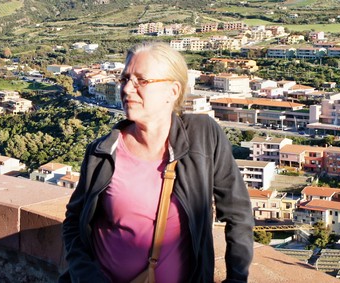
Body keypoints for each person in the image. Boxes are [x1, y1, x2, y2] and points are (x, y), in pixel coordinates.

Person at [60, 41, 254, 283]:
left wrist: (236, 279)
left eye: (141, 81)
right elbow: (73, 223)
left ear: (173, 91)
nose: (128, 89)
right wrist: (86, 277)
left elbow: (238, 214)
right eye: (125, 79)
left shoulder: (203, 135)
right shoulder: (103, 151)